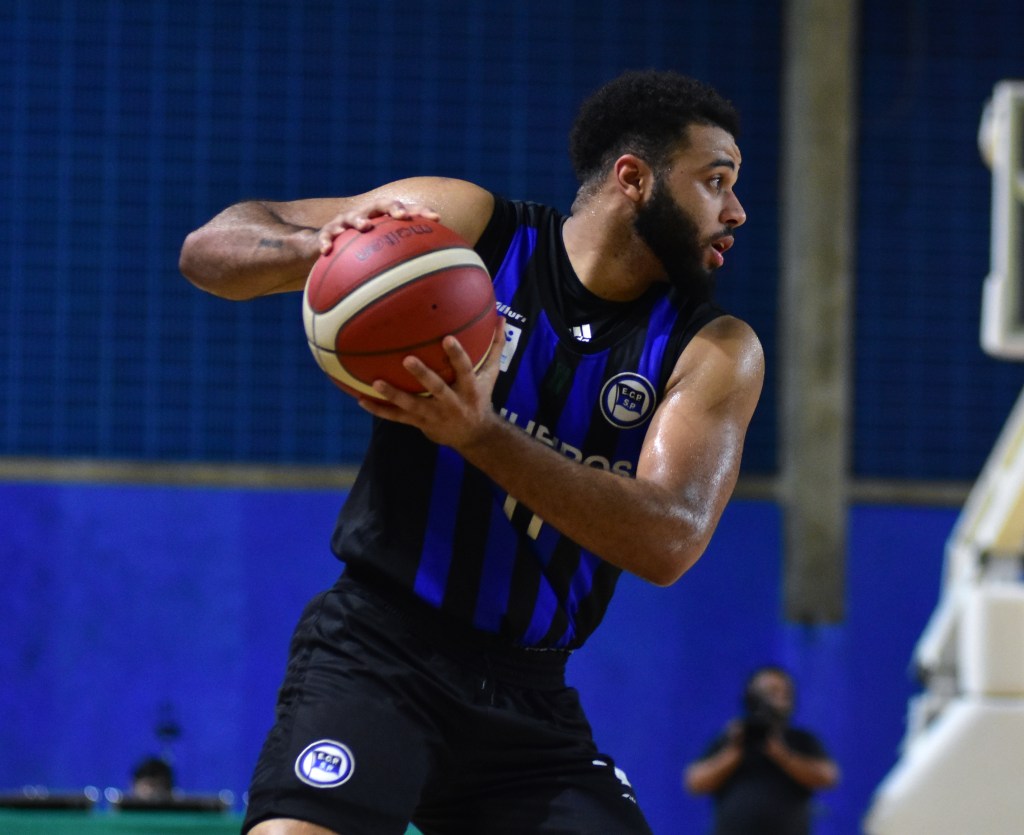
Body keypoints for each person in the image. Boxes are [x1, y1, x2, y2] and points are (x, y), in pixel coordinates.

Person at [179, 68, 764, 835]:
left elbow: (668, 539)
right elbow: (206, 251)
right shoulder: (466, 229)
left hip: (529, 702)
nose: (736, 211)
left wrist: (481, 436)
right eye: (715, 181)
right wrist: (320, 248)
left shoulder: (713, 349)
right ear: (634, 178)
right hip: (379, 649)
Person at [683, 666, 840, 835]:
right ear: (752, 695)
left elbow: (829, 777)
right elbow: (694, 782)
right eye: (772, 691)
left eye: (785, 692)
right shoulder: (733, 739)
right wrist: (734, 753)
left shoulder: (801, 740)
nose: (780, 697)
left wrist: (782, 754)